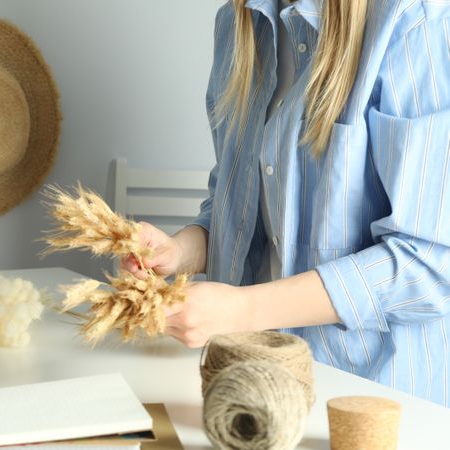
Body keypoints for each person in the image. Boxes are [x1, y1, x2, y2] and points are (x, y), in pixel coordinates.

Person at [121, 0, 450, 407]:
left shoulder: (415, 19)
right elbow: (241, 203)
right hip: (248, 384)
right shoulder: (237, 24)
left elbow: (432, 263)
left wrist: (242, 310)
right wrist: (180, 251)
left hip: (371, 403)